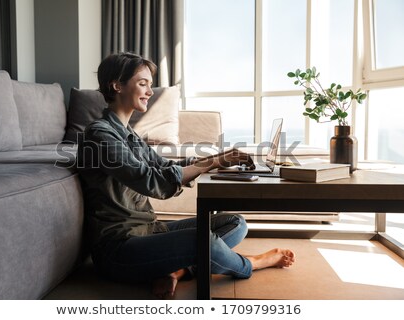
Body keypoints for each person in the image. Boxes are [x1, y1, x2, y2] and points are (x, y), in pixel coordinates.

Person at [77, 52, 295, 299]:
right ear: (117, 85)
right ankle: (250, 264)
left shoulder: (128, 134)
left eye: (150, 84)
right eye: (142, 83)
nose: (149, 91)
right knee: (199, 240)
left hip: (150, 230)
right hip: (119, 248)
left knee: (235, 222)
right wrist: (213, 162)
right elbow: (153, 180)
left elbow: (164, 165)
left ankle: (175, 270)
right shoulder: (100, 135)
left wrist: (216, 160)